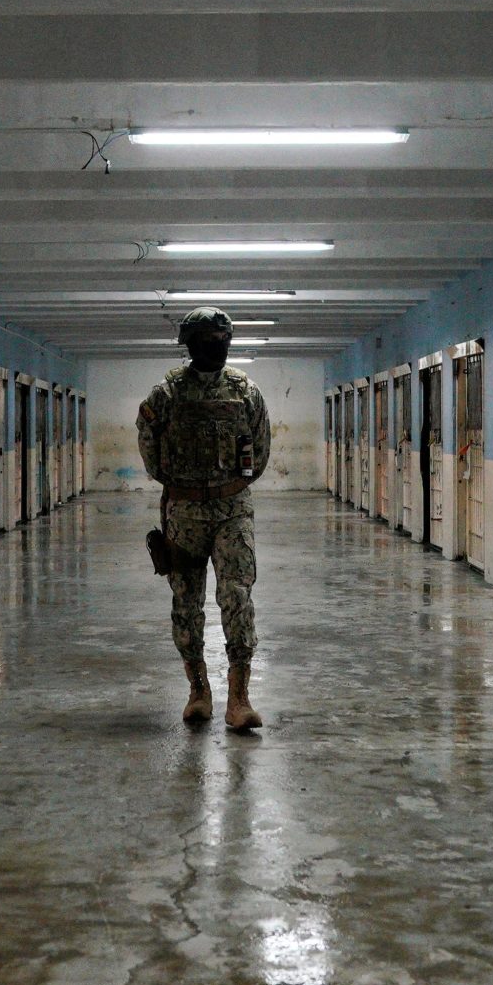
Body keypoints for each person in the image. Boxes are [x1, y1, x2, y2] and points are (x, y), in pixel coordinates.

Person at [137, 307, 272, 730]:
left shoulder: (245, 391)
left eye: (223, 340)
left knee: (237, 596)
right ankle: (198, 690)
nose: (218, 348)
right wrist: (179, 483)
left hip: (232, 510)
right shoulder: (167, 394)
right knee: (186, 602)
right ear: (190, 346)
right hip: (184, 512)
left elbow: (261, 449)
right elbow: (148, 443)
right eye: (208, 341)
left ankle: (239, 696)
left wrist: (227, 485)